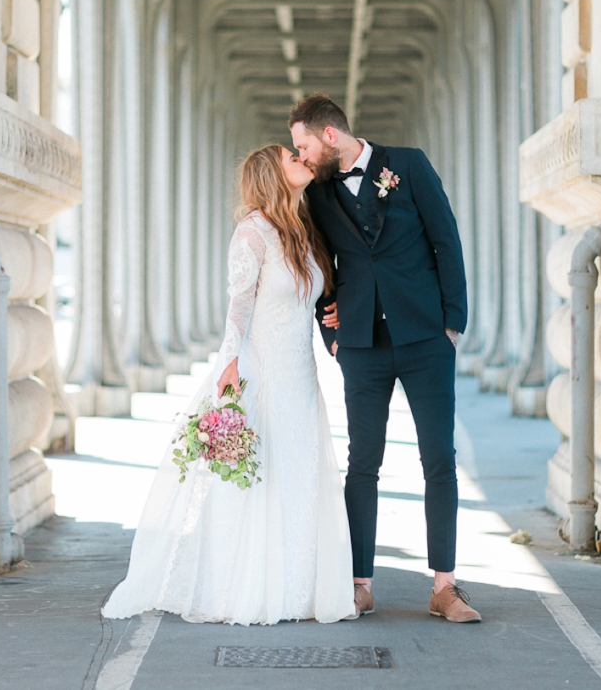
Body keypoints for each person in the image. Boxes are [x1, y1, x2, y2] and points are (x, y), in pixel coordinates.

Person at [103, 144, 355, 626]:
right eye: (291, 157)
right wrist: (229, 366)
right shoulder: (252, 232)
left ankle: (298, 589)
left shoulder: (305, 230)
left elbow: (323, 293)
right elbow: (237, 307)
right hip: (260, 372)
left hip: (301, 378)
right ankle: (247, 589)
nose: (302, 158)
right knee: (257, 480)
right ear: (270, 175)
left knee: (299, 475)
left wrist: (340, 315)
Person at [290, 93, 482, 624]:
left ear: (330, 136)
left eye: (303, 146)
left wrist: (451, 323)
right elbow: (318, 263)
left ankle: (444, 587)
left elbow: (447, 239)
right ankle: (359, 584)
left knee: (439, 460)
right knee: (363, 465)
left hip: (425, 338)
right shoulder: (320, 194)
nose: (301, 157)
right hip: (361, 347)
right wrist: (330, 327)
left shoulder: (409, 164)